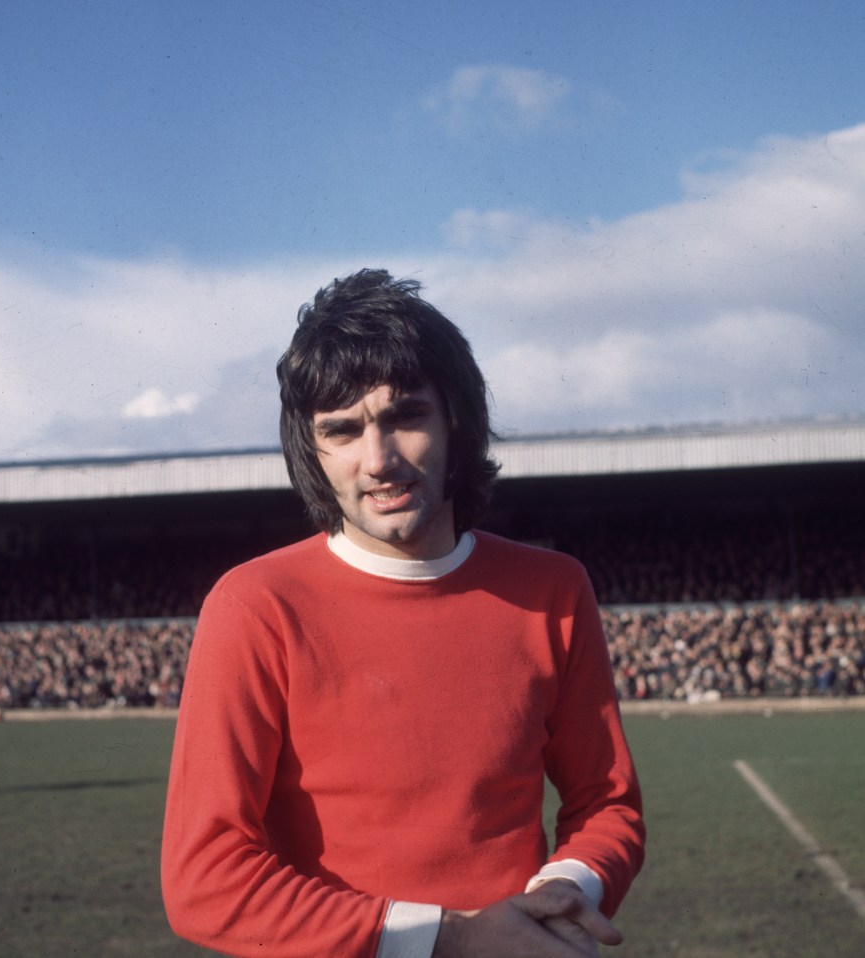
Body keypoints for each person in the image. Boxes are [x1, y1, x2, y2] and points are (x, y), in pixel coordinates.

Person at [161, 269, 645, 958]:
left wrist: (569, 886)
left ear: (455, 417)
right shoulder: (253, 606)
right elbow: (203, 879)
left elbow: (607, 802)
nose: (378, 460)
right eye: (342, 431)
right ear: (312, 449)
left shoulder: (552, 589)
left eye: (405, 416)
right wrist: (451, 938)